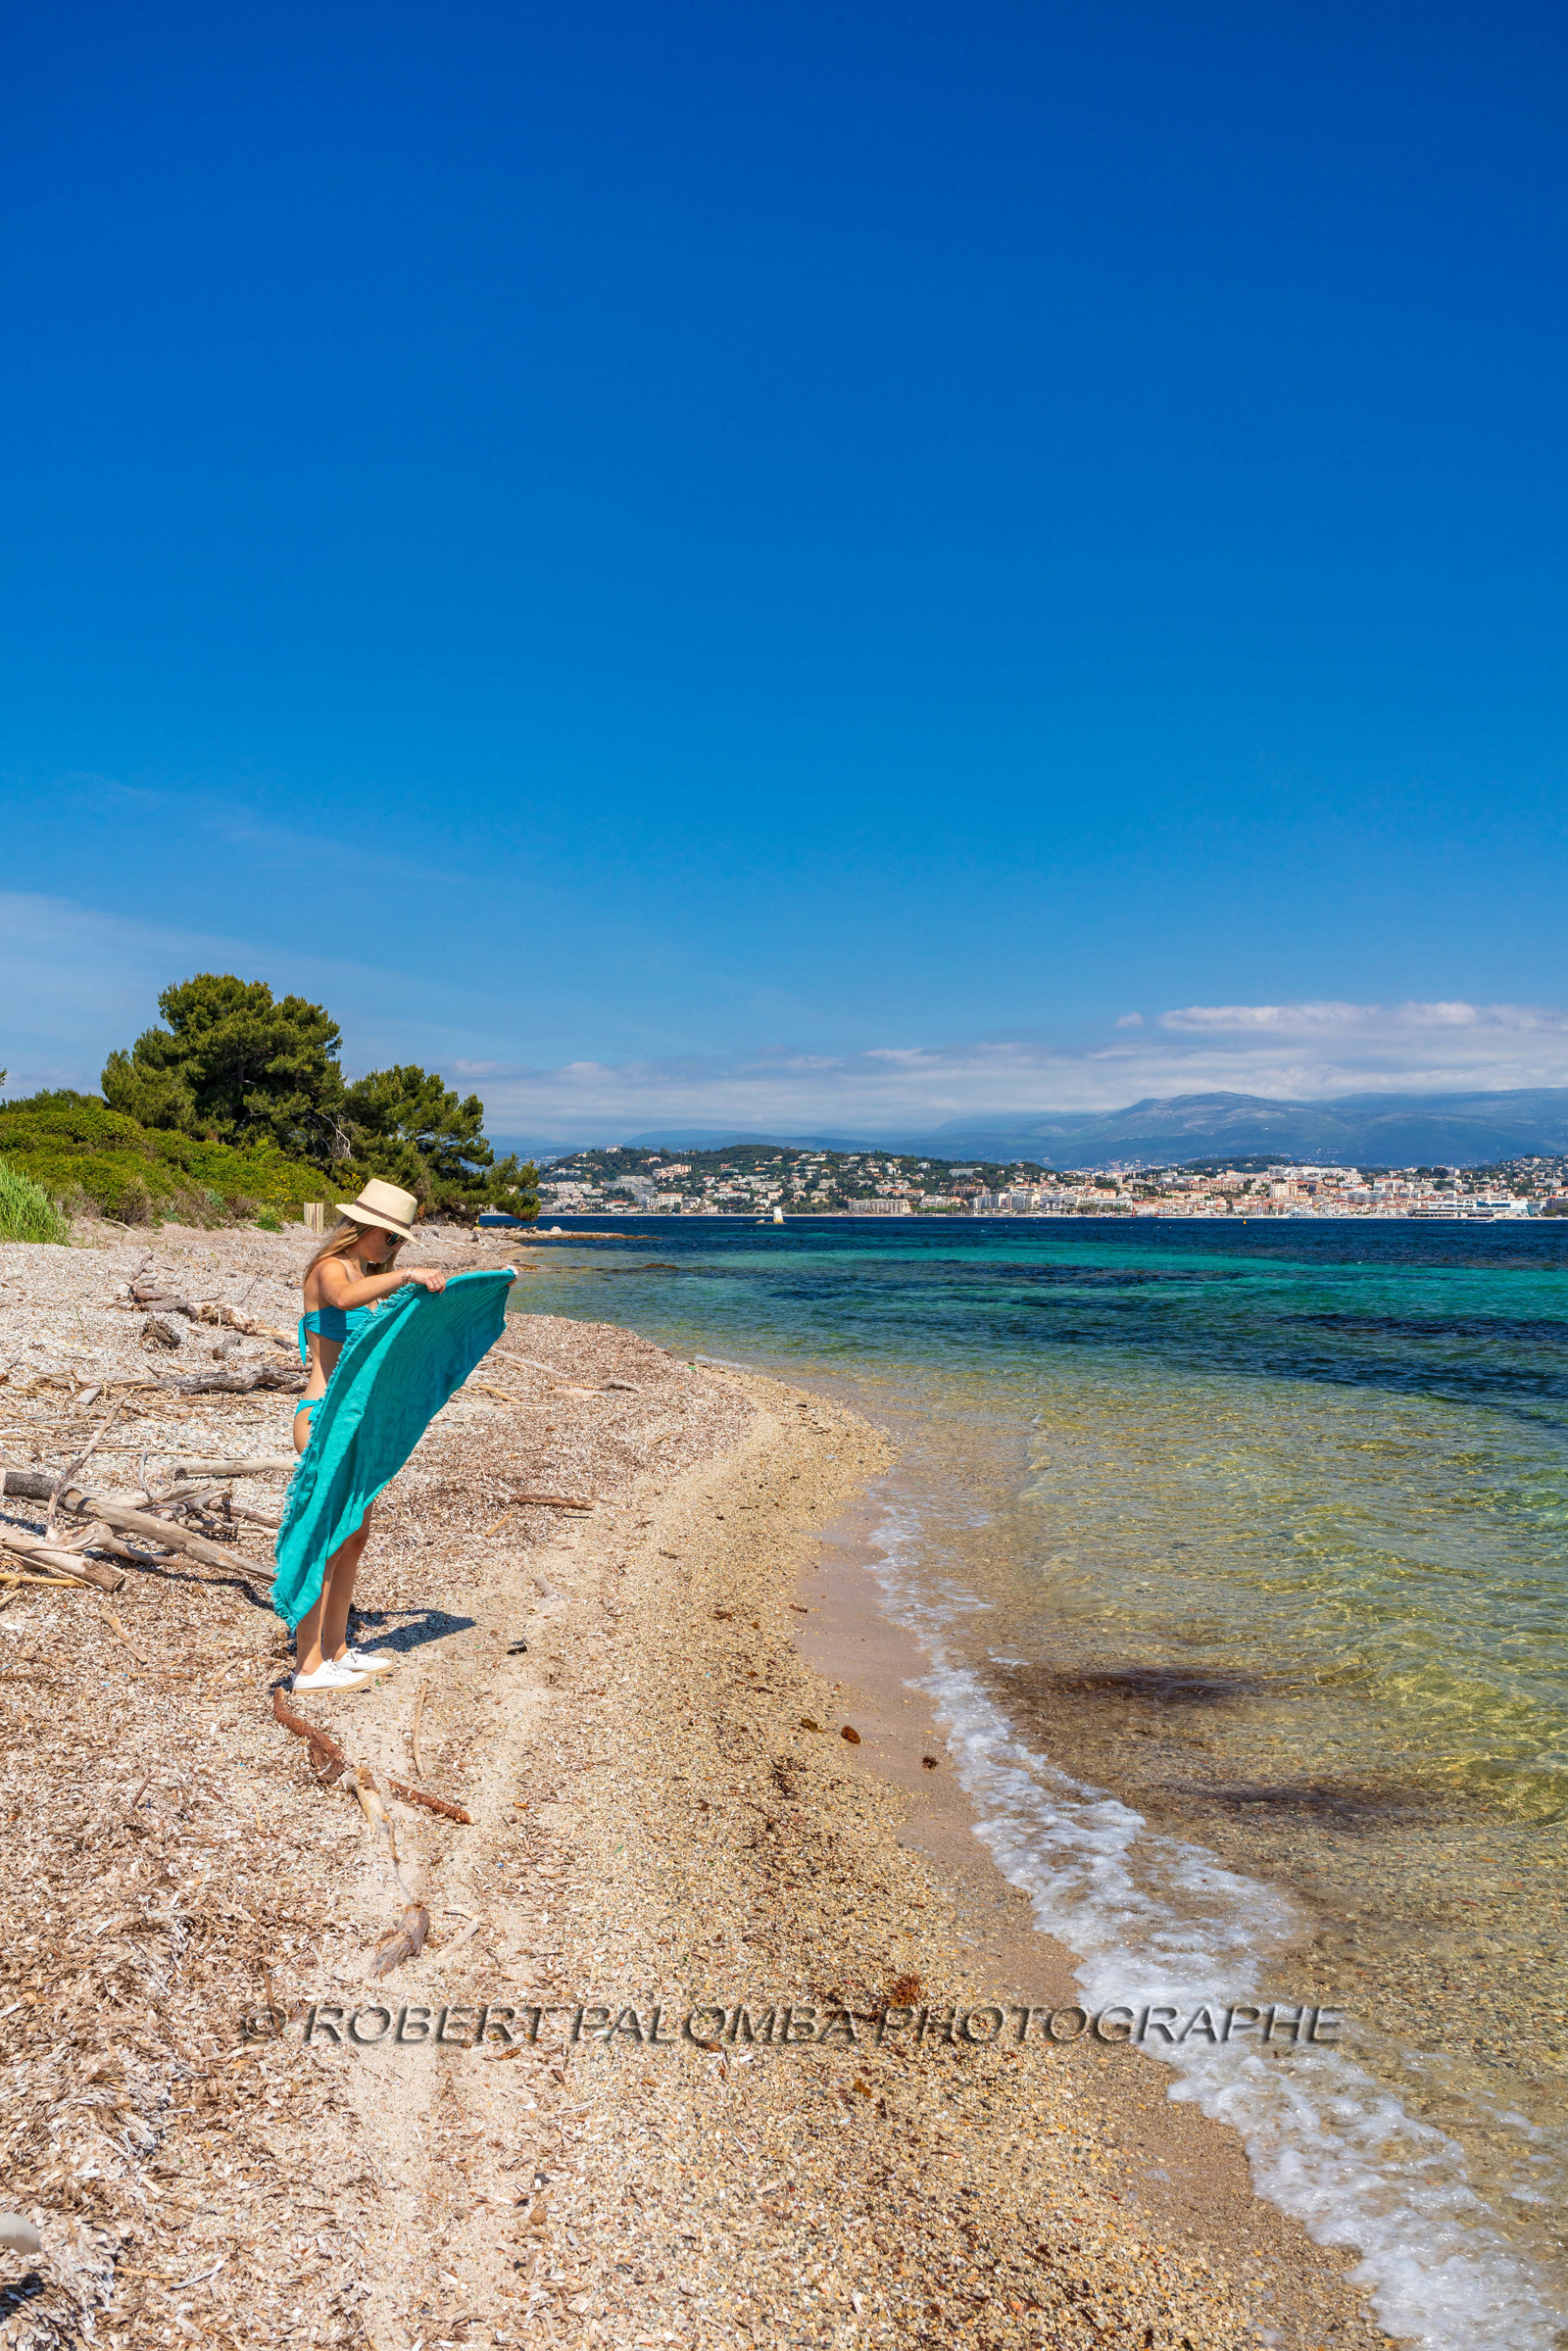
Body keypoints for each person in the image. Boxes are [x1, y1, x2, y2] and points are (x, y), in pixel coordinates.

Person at [289, 1178, 447, 1692]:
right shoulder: (331, 1269)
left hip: (359, 1421)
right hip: (323, 1416)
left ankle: (336, 1648)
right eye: (392, 1237)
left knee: (355, 1538)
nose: (395, 1247)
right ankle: (308, 1666)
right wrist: (405, 1275)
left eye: (401, 1241)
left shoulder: (365, 1272)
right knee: (328, 1542)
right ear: (365, 1227)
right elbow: (342, 1297)